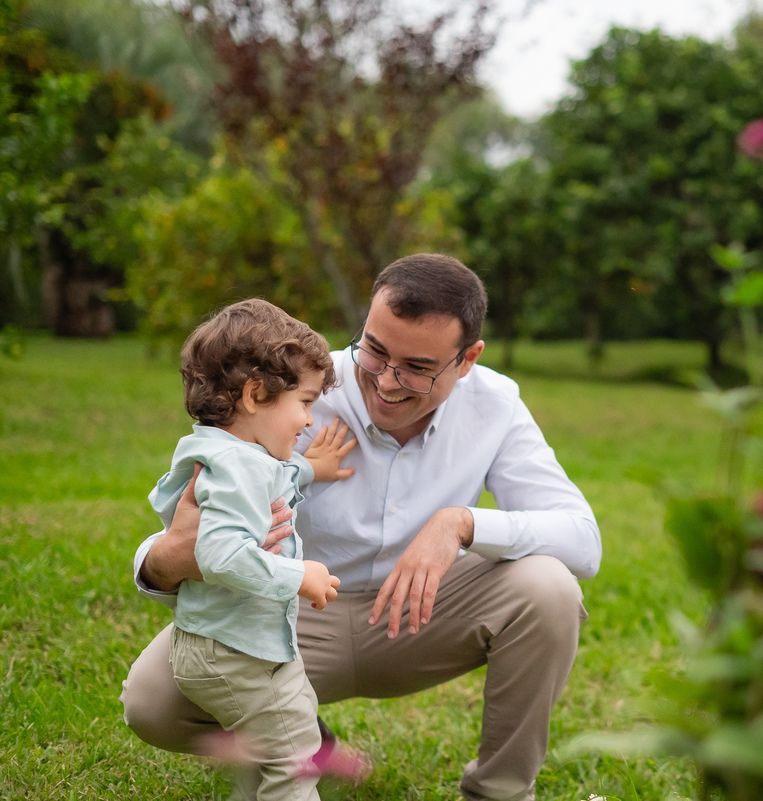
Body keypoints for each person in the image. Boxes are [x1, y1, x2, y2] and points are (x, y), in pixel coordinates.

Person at [122, 254, 602, 801]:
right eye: (373, 349)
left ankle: (500, 793)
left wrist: (460, 523)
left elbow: (582, 539)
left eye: (417, 367)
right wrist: (162, 562)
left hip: (419, 617)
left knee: (550, 587)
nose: (386, 381)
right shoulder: (289, 388)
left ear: (467, 359)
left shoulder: (495, 405)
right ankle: (300, 738)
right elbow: (192, 527)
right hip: (290, 617)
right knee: (151, 703)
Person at [149, 299, 359, 801]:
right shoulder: (239, 466)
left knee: (277, 739)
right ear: (256, 393)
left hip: (232, 641)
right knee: (296, 754)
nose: (309, 420)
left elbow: (271, 476)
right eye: (305, 402)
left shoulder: (230, 453)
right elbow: (219, 554)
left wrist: (311, 468)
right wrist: (298, 576)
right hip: (235, 650)